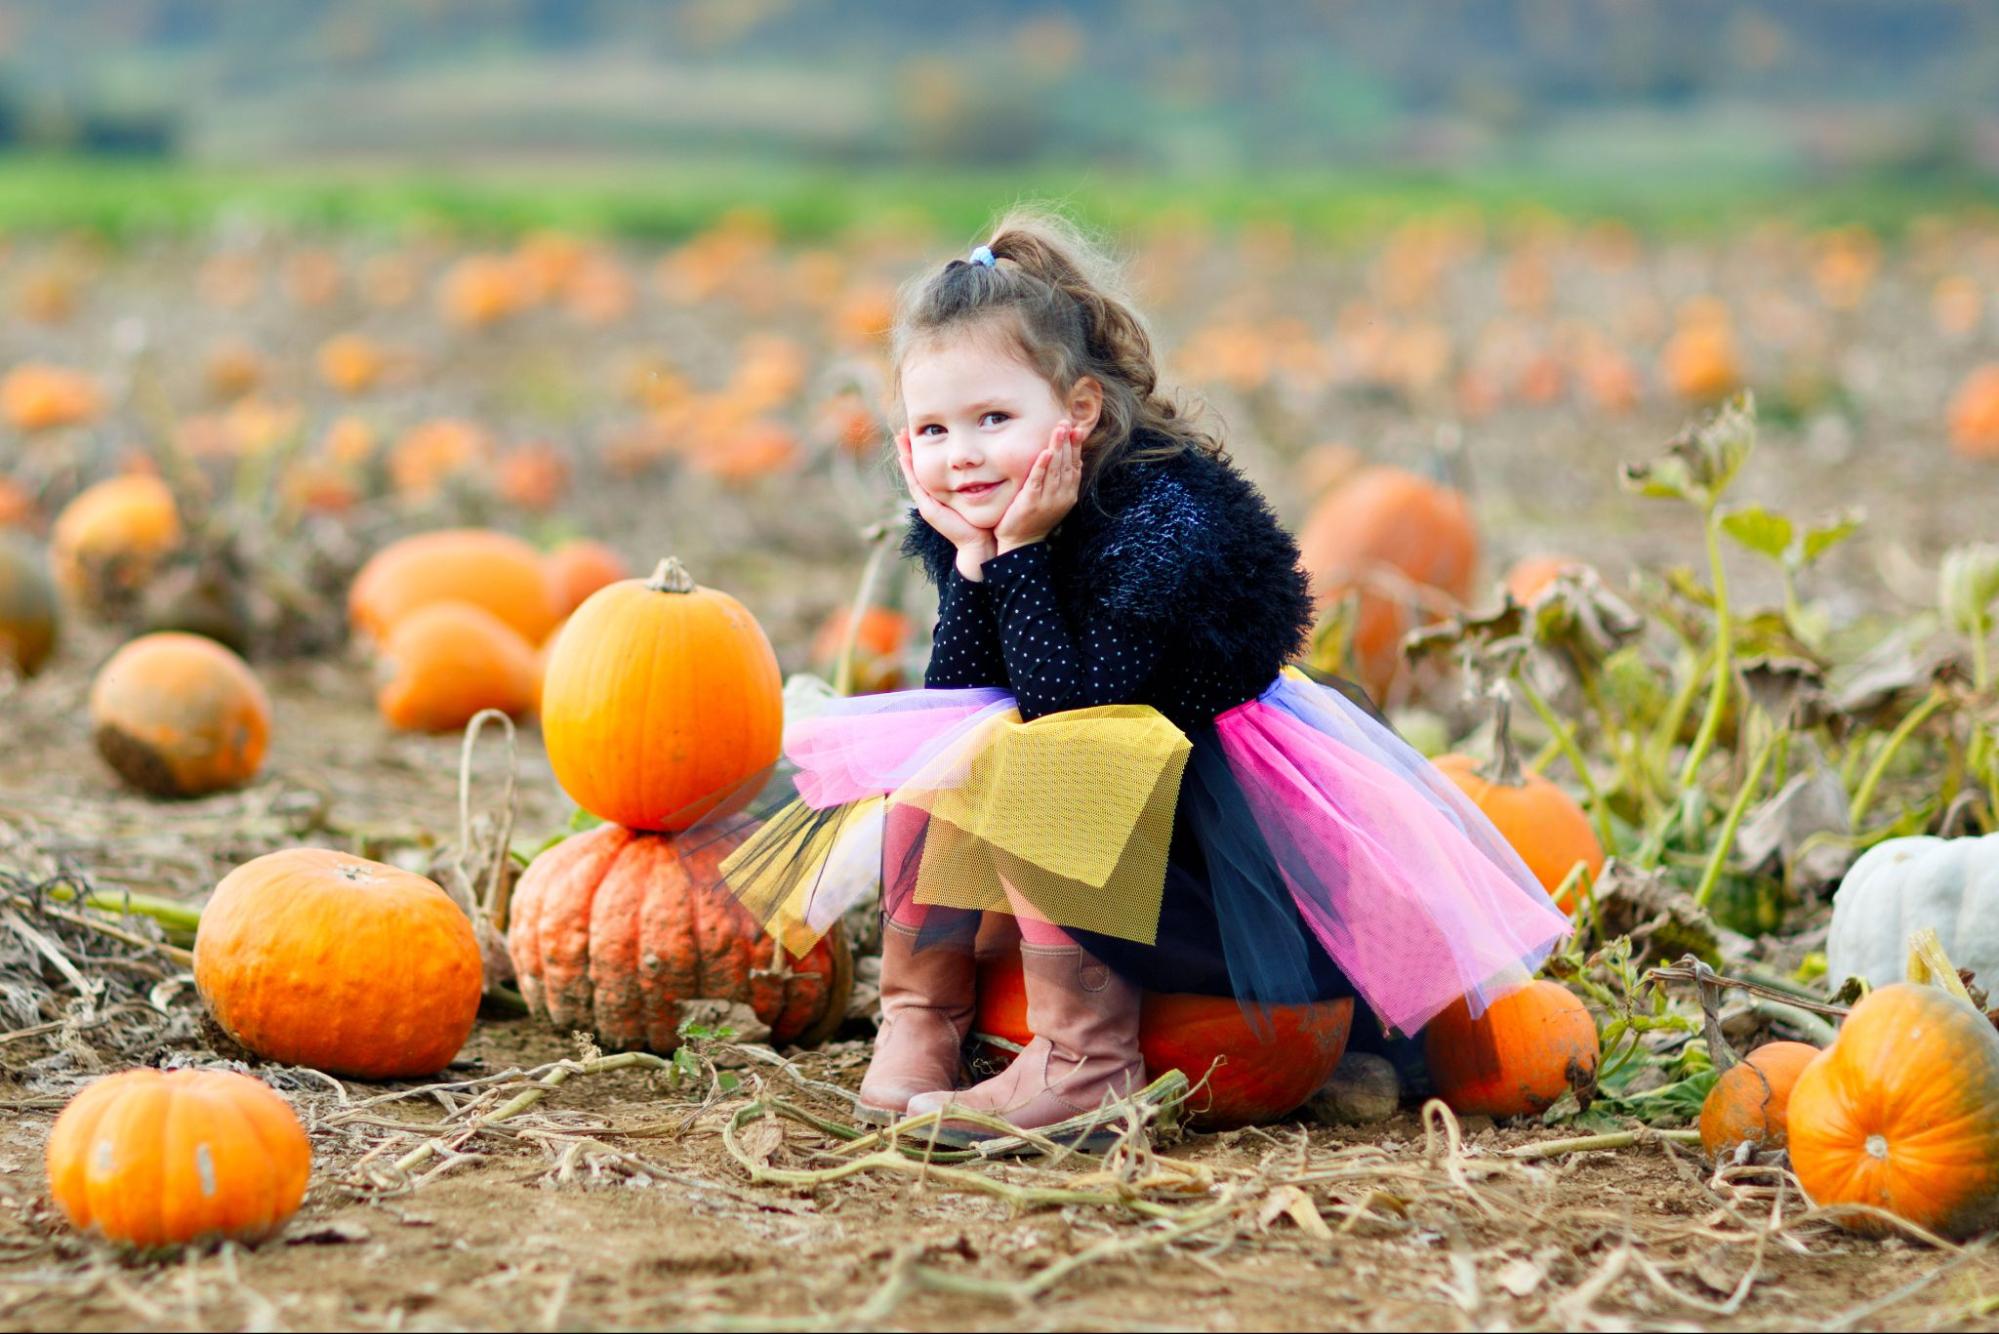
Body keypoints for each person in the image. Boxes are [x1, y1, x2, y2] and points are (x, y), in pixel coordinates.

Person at [718, 207, 1571, 1145]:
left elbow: (1081, 727)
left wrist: (1021, 558)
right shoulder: (985, 514)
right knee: (942, 752)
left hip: (1212, 861)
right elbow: (963, 700)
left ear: (1078, 410)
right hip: (1104, 832)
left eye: (992, 419)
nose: (958, 453)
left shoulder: (1160, 528)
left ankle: (1088, 1065)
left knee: (1034, 763)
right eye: (930, 429)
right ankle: (925, 1020)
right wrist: (972, 565)